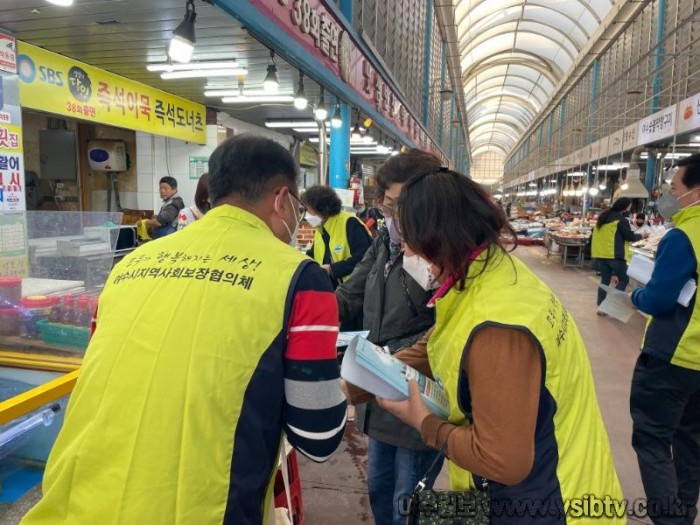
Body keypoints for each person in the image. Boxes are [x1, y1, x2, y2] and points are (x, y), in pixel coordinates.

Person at [21, 136, 347, 525]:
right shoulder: (300, 279)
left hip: (72, 505)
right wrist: (347, 388)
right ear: (282, 199)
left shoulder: (129, 265)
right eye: (298, 207)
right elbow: (318, 436)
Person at [366, 166, 623, 524]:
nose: (404, 248)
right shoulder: (490, 277)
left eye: (408, 237)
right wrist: (362, 377)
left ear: (437, 236)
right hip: (531, 490)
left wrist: (424, 422)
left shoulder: (498, 328)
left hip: (544, 505)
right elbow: (438, 344)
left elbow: (503, 461)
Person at [337, 150, 442, 525]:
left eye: (398, 207)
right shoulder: (385, 243)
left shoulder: (441, 253)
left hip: (416, 390)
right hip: (377, 387)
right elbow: (350, 295)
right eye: (386, 205)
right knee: (380, 490)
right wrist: (306, 316)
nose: (390, 216)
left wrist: (389, 364)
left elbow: (446, 330)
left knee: (408, 498)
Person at [630, 153, 700, 525]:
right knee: (690, 442)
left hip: (673, 357)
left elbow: (658, 299)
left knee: (653, 441)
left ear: (695, 192)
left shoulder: (683, 236)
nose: (667, 195)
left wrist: (636, 295)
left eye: (674, 189)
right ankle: (684, 513)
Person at [302, 185, 373, 287]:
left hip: (354, 291)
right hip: (330, 290)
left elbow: (365, 259)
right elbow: (313, 255)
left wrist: (332, 269)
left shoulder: (350, 223)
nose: (306, 215)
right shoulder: (320, 229)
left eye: (308, 210)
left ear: (322, 208)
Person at [591, 196, 648, 311]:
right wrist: (643, 235)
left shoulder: (603, 218)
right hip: (615, 255)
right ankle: (610, 306)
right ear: (626, 207)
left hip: (602, 255)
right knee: (624, 280)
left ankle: (601, 307)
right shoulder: (621, 220)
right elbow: (630, 236)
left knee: (605, 281)